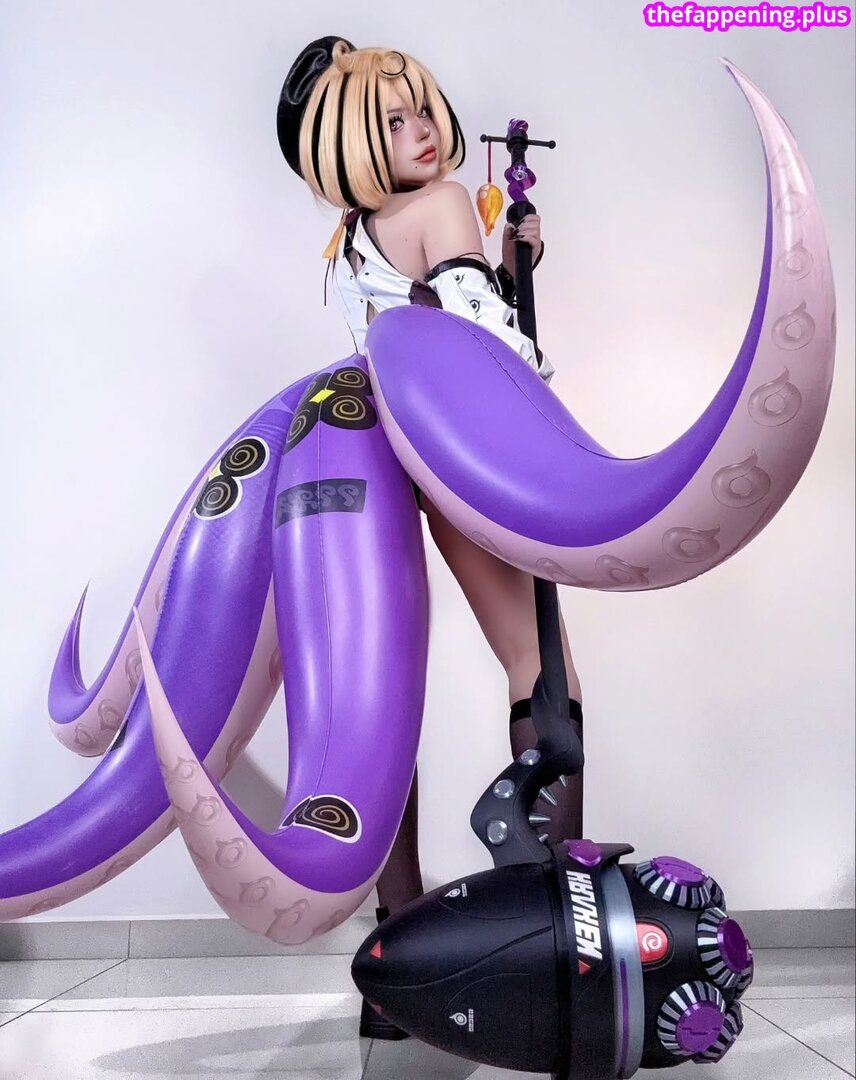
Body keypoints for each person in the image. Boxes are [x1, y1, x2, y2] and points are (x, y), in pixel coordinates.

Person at [278, 36, 584, 1037]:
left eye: (422, 112)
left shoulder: (349, 238)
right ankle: (557, 930)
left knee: (379, 699)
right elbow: (480, 341)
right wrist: (519, 334)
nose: (419, 133)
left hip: (358, 450)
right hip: (446, 442)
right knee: (540, 664)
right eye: (392, 120)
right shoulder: (444, 202)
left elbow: (423, 310)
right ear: (349, 137)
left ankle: (394, 961)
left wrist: (511, 263)